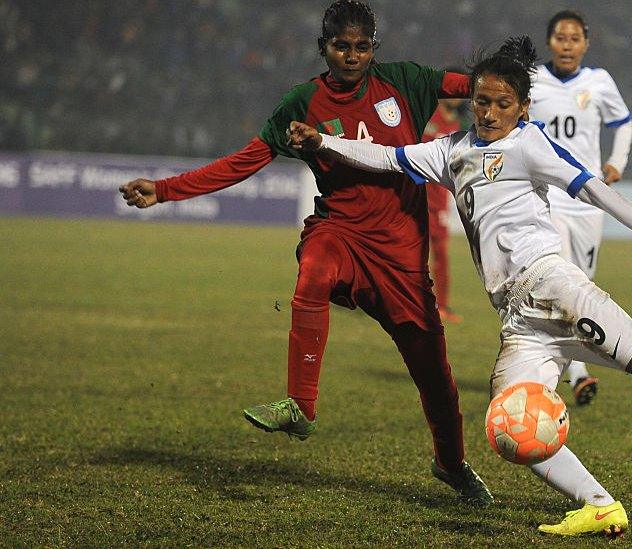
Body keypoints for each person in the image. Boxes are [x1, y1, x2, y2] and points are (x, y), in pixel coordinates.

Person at [288, 36, 632, 537]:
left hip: (551, 285)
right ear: (468, 101)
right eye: (482, 101)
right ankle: (600, 505)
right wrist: (322, 141)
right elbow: (386, 158)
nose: (490, 113)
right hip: (517, 317)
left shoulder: (530, 145)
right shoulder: (450, 152)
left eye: (503, 104)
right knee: (507, 426)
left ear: (522, 108)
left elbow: (598, 192)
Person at [117, 0, 492, 507]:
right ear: (324, 48)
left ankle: (451, 465)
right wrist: (163, 191)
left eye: (362, 47)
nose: (352, 56)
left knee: (436, 380)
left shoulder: (406, 81)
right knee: (315, 266)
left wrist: (517, 88)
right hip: (339, 232)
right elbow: (244, 162)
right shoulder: (303, 101)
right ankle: (301, 404)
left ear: (374, 49)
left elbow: (476, 87)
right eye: (341, 46)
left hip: (401, 256)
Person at [528, 10, 632, 406]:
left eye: (575, 38)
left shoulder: (599, 82)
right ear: (550, 42)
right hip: (548, 197)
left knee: (582, 286)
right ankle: (572, 371)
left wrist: (616, 163)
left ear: (585, 43)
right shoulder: (532, 80)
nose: (567, 45)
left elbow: (623, 122)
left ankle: (565, 366)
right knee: (557, 281)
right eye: (560, 37)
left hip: (587, 201)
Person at [423, 96, 466, 324]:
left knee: (440, 252)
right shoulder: (428, 116)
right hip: (417, 193)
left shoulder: (457, 125)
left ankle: (442, 305)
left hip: (439, 199)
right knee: (409, 252)